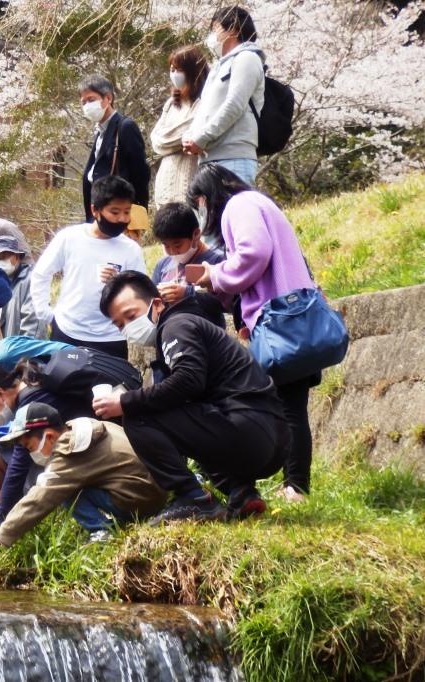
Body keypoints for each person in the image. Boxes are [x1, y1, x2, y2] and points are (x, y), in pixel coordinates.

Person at [93, 271, 290, 522]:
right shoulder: (185, 324)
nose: (128, 327)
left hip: (250, 429)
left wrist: (124, 402)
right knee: (188, 415)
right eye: (120, 325)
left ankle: (192, 497)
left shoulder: (176, 326)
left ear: (157, 304)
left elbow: (188, 381)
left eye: (131, 316)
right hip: (272, 438)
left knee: (138, 416)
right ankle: (240, 492)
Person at [186, 163, 318, 502]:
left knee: (283, 404)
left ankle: (295, 486)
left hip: (281, 319)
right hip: (293, 312)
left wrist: (214, 275)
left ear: (206, 197)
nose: (200, 213)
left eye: (198, 203)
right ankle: (295, 484)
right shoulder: (259, 203)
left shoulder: (239, 205)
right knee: (291, 403)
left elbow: (253, 253)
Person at [0, 404, 167, 561]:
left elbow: (39, 498)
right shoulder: (84, 427)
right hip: (157, 487)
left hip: (141, 498)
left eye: (29, 446)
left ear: (51, 436)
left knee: (61, 491)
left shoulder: (70, 451)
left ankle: (101, 531)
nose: (30, 454)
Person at [0, 363, 97, 525]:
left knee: (42, 480)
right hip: (85, 443)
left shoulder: (30, 407)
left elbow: (18, 468)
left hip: (88, 455)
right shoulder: (33, 382)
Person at [30, 175, 147, 359]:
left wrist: (119, 281)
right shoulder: (69, 238)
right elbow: (41, 274)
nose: (122, 219)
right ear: (95, 210)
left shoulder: (130, 248)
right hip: (68, 331)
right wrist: (45, 314)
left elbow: (142, 292)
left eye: (127, 212)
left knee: (110, 388)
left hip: (111, 337)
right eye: (115, 212)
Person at [184, 6, 265, 184]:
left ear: (234, 29)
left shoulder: (247, 58)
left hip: (233, 158)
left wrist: (201, 138)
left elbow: (234, 104)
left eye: (216, 29)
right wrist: (191, 135)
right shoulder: (220, 66)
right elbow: (206, 108)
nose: (212, 36)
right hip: (209, 158)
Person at [80, 75, 150, 222]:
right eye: (83, 102)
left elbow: (140, 174)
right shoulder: (99, 132)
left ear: (108, 98)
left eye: (91, 100)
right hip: (100, 210)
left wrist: (135, 212)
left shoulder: (125, 127)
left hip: (119, 213)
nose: (87, 106)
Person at [150, 202, 229, 330]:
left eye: (177, 245)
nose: (172, 251)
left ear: (196, 234)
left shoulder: (216, 261)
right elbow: (151, 301)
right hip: (172, 336)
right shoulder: (163, 265)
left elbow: (226, 303)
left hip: (207, 338)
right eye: (166, 246)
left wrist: (187, 293)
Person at [151, 46, 208, 209]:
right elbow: (156, 141)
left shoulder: (203, 103)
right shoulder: (171, 104)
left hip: (189, 185)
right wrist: (173, 142)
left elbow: (191, 131)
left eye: (179, 70)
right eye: (172, 69)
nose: (174, 74)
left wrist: (166, 140)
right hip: (164, 187)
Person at [0, 235, 44, 339]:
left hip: (23, 352)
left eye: (4, 257)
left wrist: (22, 354)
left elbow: (32, 328)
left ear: (17, 257)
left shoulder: (31, 281)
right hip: (3, 350)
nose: (0, 262)